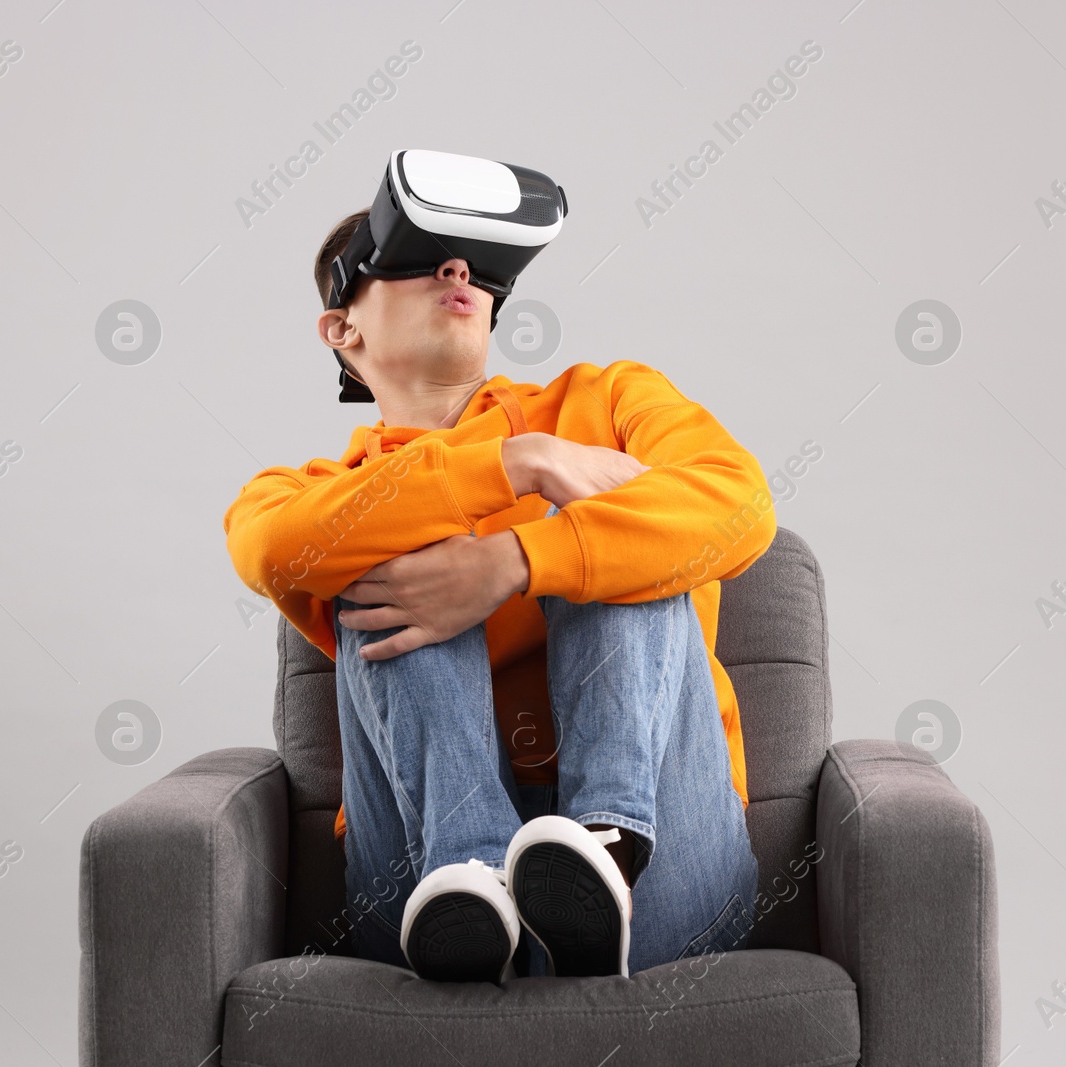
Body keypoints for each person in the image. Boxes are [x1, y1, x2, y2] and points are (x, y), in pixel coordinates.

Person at [222, 208, 773, 982]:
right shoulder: (308, 493)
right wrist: (519, 463)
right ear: (342, 329)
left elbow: (739, 506)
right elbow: (271, 545)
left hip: (668, 863)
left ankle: (605, 850)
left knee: (616, 522)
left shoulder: (610, 400)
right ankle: (471, 878)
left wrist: (515, 560)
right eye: (415, 258)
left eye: (474, 262)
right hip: (419, 876)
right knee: (377, 525)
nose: (457, 272)